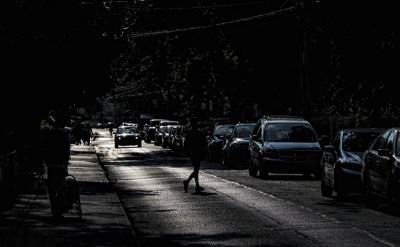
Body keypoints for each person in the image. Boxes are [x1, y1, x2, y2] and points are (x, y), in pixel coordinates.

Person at [42, 111, 71, 218]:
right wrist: (66, 162)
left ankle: (54, 207)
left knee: (52, 187)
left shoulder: (49, 134)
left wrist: (45, 161)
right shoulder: (64, 135)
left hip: (51, 164)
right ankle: (58, 208)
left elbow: (45, 148)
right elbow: (66, 151)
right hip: (61, 165)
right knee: (60, 187)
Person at [183, 118, 207, 193]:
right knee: (196, 169)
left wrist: (187, 152)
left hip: (192, 153)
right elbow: (204, 142)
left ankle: (197, 185)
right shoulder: (199, 132)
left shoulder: (189, 133)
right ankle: (187, 182)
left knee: (196, 169)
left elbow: (186, 144)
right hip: (197, 153)